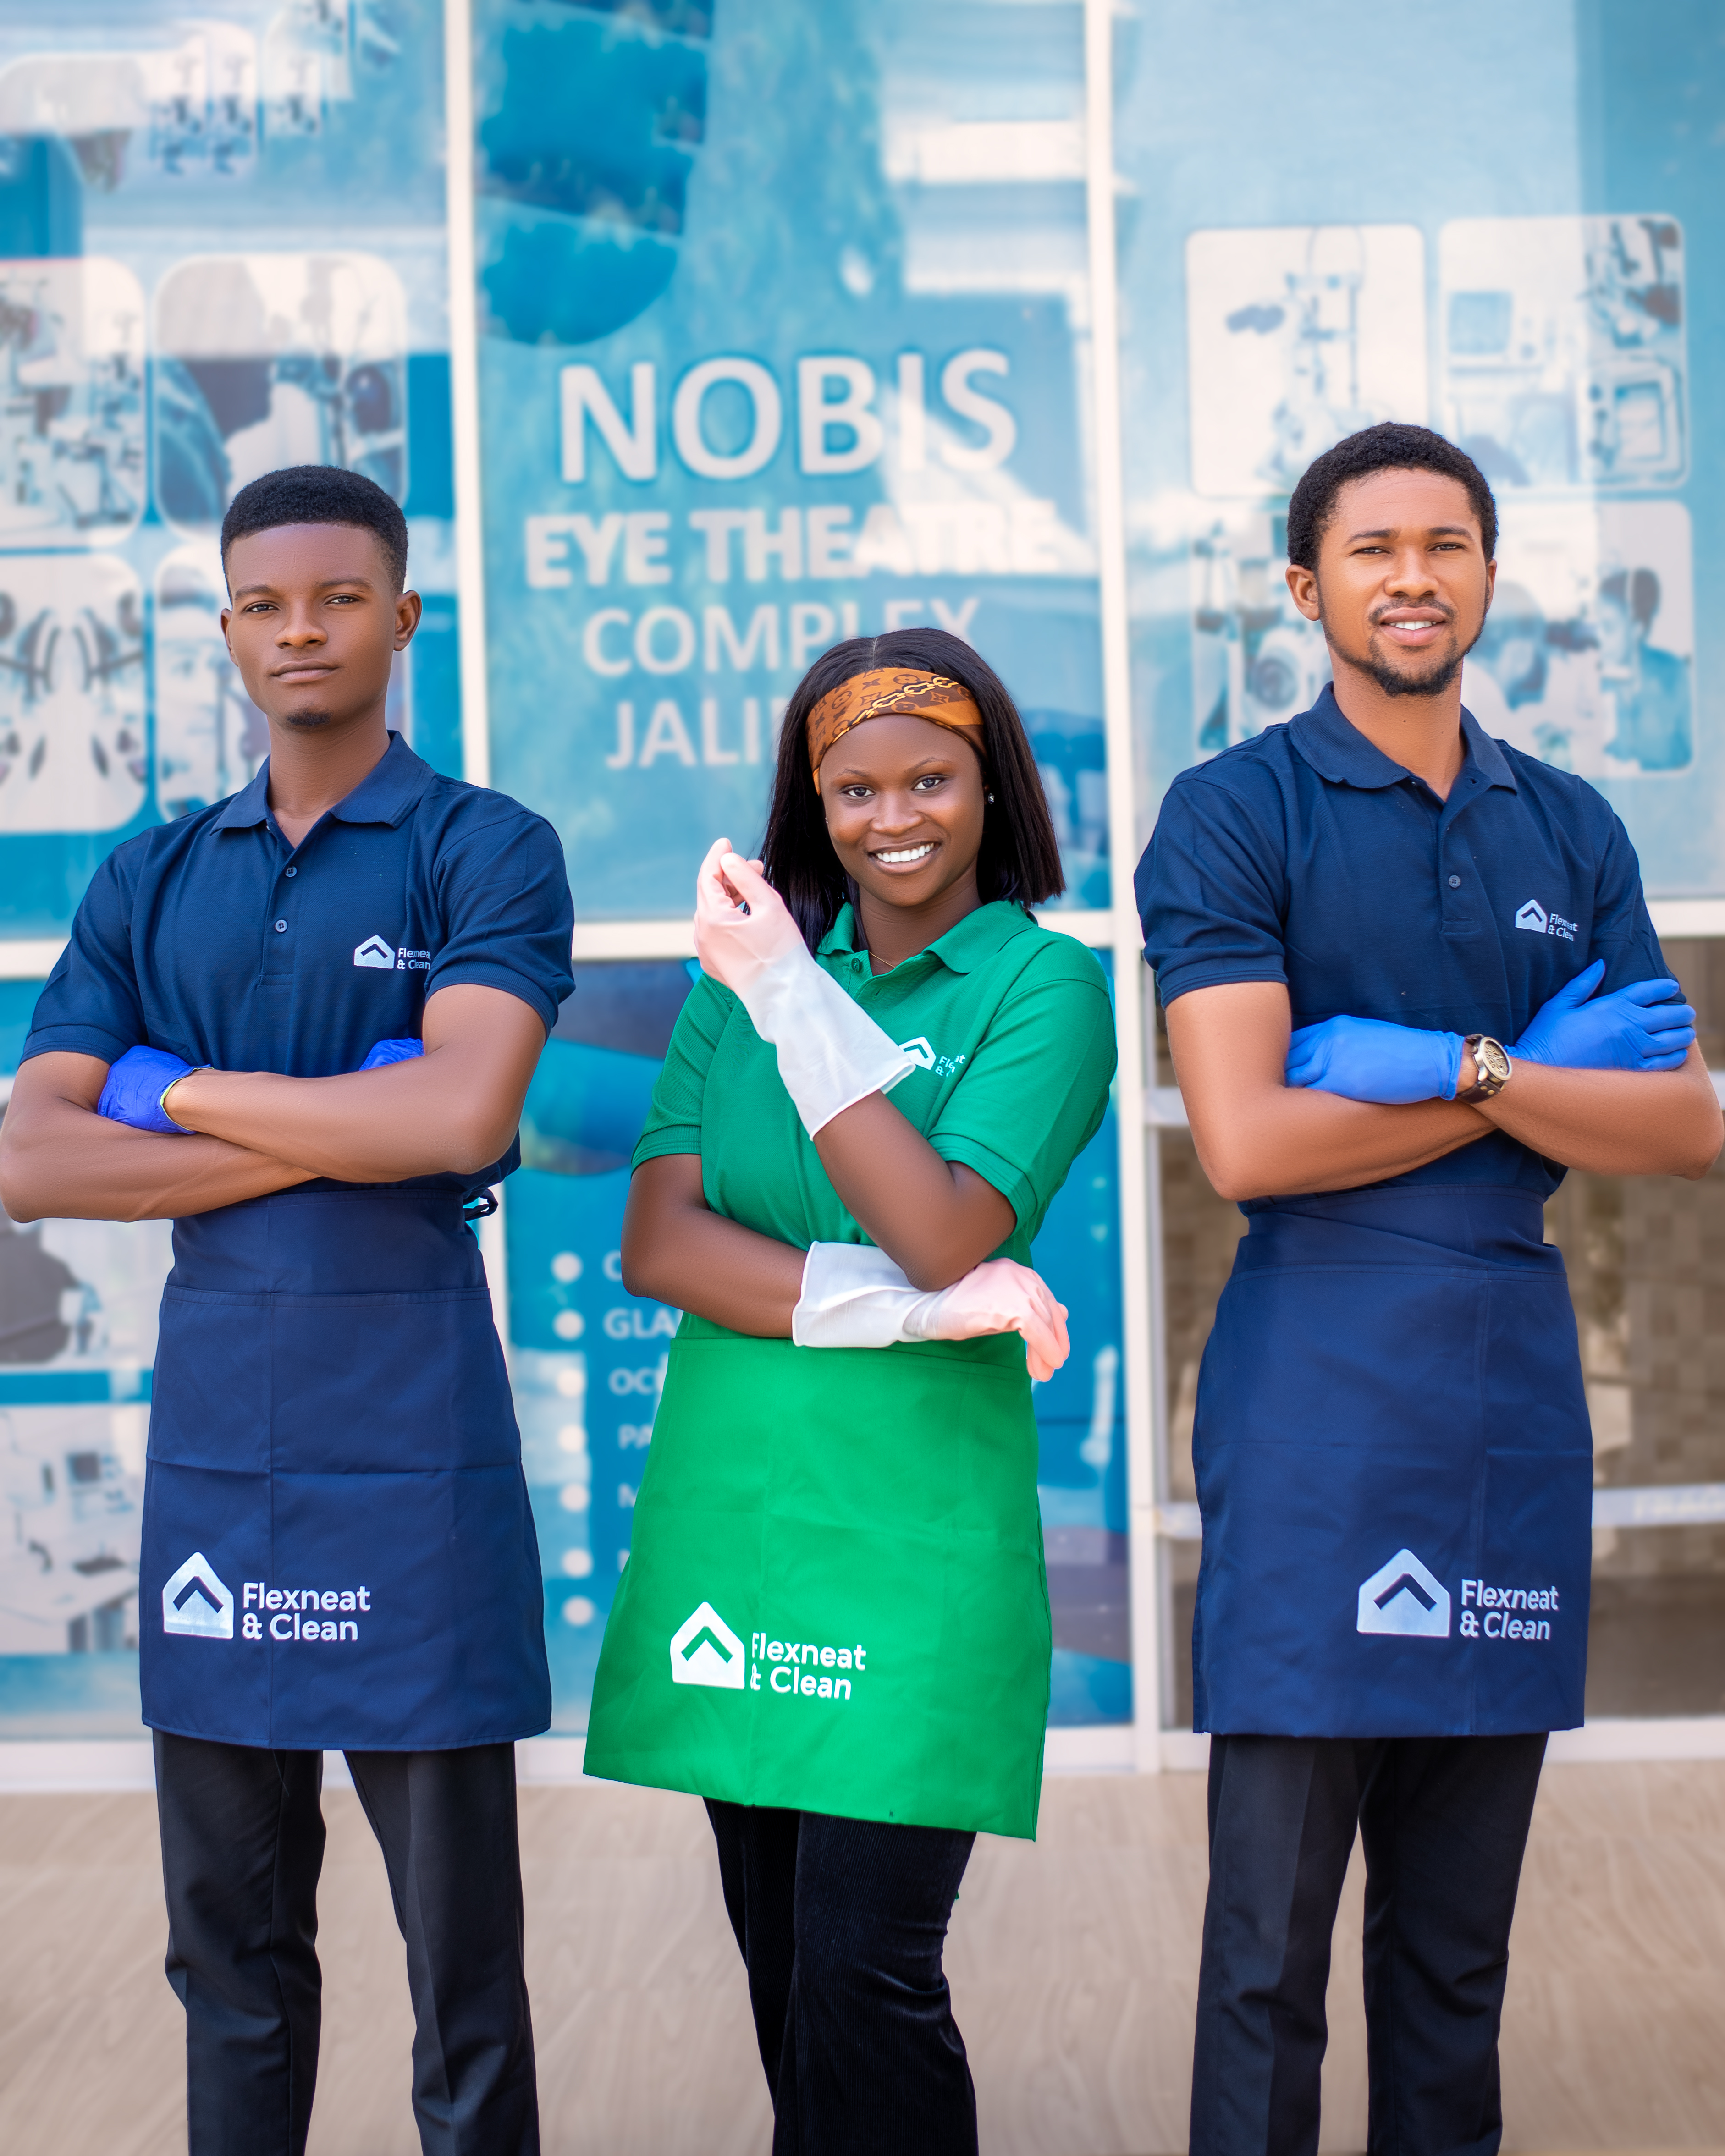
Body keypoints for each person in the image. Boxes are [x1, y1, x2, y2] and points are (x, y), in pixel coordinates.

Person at [1135, 422, 1722, 2156]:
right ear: (1305, 588)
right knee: (1265, 1953)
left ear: (1486, 573)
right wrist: (1522, 1074)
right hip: (1316, 1391)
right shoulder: (1236, 813)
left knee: (1456, 1952)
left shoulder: (1571, 823)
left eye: (1446, 544)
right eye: (1374, 549)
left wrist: (1436, 1069)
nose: (1414, 577)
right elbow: (1245, 1144)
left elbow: (1682, 1125)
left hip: (1508, 1389)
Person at [0, 465, 574, 2156]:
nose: (299, 629)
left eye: (337, 598)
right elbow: (33, 1159)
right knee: (228, 1961)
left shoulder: (485, 848)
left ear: (403, 617)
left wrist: (177, 1096)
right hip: (218, 1467)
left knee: (460, 1974)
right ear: (227, 627)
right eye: (264, 602)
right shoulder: (153, 872)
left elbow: (463, 1124)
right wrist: (345, 1119)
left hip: (411, 1462)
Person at [583, 628, 1117, 2154]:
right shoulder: (736, 984)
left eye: (931, 778)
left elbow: (945, 1222)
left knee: (867, 1972)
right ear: (809, 804)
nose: (894, 815)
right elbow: (660, 1245)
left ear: (990, 783)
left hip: (915, 1538)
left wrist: (794, 1001)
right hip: (737, 1514)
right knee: (784, 1973)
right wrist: (904, 1314)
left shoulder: (1042, 986)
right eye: (852, 787)